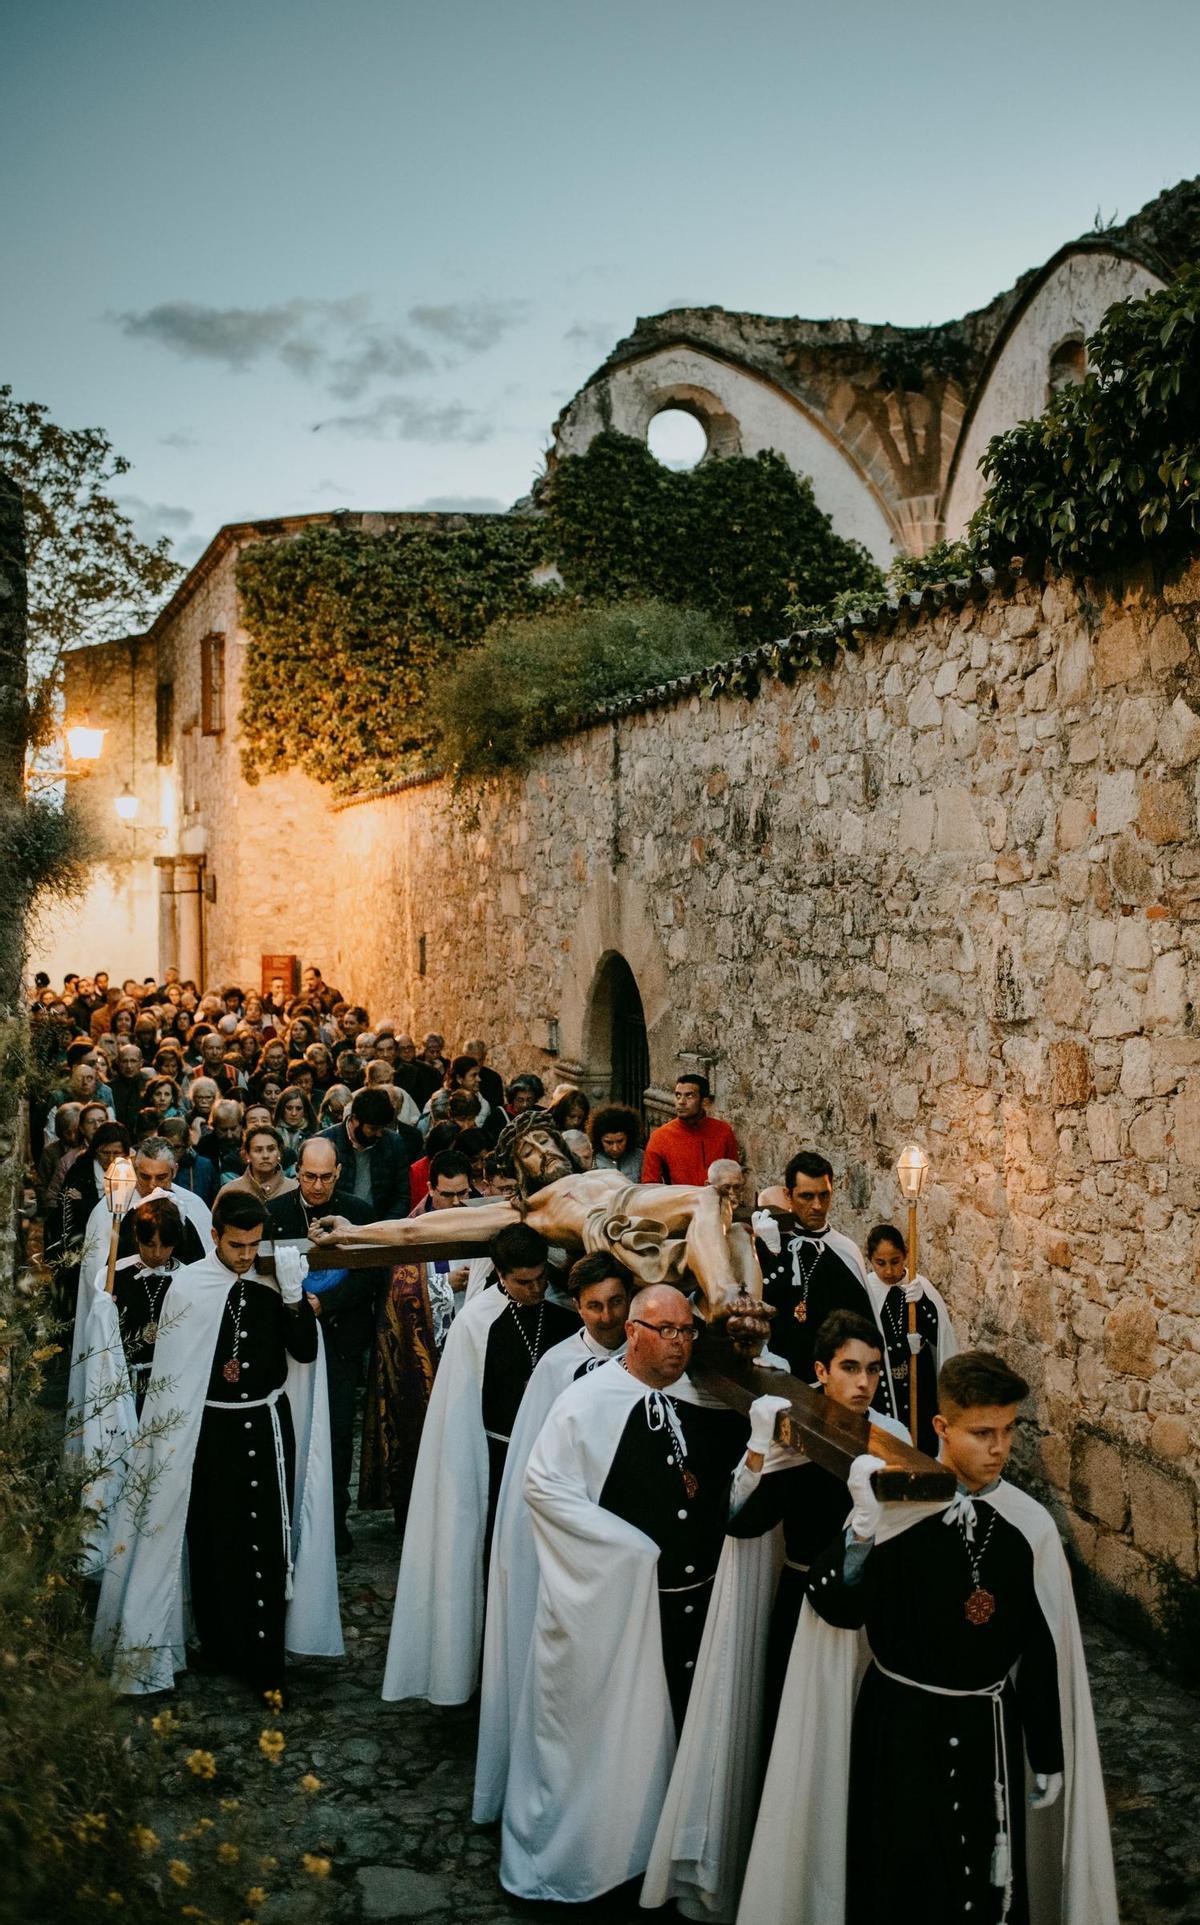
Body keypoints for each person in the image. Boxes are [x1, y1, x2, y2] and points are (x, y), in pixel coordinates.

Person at [737, 1352, 1118, 1925]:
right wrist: (861, 1535)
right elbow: (837, 1610)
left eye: (1009, 1430)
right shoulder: (894, 1511)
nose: (999, 1447)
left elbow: (1037, 1644)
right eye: (982, 1432)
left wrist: (1045, 1749)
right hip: (900, 1730)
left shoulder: (1028, 1523)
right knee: (903, 1877)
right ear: (941, 1427)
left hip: (987, 1732)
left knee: (988, 1881)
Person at [498, 1285, 760, 1903]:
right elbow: (546, 1490)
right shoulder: (586, 1403)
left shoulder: (704, 1395)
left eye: (687, 1332)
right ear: (635, 1332)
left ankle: (665, 1858)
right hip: (620, 1607)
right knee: (613, 1738)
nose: (679, 1345)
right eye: (666, 1332)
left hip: (694, 1602)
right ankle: (600, 1858)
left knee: (679, 1736)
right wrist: (630, 1554)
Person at [93, 1191, 343, 1699]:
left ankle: (265, 1658)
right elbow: (175, 1375)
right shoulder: (189, 1287)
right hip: (210, 1433)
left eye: (254, 1245)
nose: (246, 1256)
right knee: (215, 1538)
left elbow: (305, 1352)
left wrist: (296, 1301)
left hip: (265, 1426)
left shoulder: (276, 1282)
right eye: (236, 1245)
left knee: (266, 1542)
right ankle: (222, 1644)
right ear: (214, 1238)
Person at [381, 1223, 578, 1707]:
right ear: (501, 1276)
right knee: (495, 1565)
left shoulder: (564, 1314)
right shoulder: (479, 1321)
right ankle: (490, 1673)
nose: (533, 1290)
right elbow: (460, 1407)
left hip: (550, 1459)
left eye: (538, 1280)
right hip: (494, 1455)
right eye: (522, 1282)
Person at [474, 1254, 632, 1826]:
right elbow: (531, 1469)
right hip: (567, 1541)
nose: (607, 1316)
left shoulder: (648, 1365)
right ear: (578, 1306)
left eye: (616, 1302)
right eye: (594, 1305)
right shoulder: (557, 1367)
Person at [268, 1136, 378, 1556]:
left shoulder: (359, 1213)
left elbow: (370, 1276)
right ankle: (291, 1518)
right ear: (297, 1172)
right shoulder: (276, 1213)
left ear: (338, 1174)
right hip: (290, 1341)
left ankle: (334, 1523)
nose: (317, 1186)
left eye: (325, 1177)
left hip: (341, 1336)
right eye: (309, 1176)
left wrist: (325, 1302)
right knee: (293, 1427)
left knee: (336, 1431)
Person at [358, 1149, 477, 1537]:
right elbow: (399, 1292)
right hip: (420, 1354)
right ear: (430, 1189)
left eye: (463, 1194)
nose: (457, 1203)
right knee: (419, 1438)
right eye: (448, 1194)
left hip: (466, 1352)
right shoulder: (410, 1229)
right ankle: (414, 1522)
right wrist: (445, 1284)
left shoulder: (476, 1222)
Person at [752, 1151, 888, 1388]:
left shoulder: (844, 1250)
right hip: (773, 1378)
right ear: (788, 1195)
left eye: (824, 1195)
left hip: (828, 1386)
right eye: (806, 1196)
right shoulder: (771, 1242)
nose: (817, 1206)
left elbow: (861, 1327)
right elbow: (757, 1304)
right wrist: (771, 1253)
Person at [864, 1222, 959, 1456]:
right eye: (881, 1263)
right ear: (870, 1260)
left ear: (906, 1254)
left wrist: (924, 1303)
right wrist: (899, 1347)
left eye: (895, 1261)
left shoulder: (919, 1287)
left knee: (922, 1439)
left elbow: (940, 1333)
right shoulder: (867, 1289)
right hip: (884, 1380)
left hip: (919, 1379)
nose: (888, 1271)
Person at [320, 1086, 415, 1217]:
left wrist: (386, 1227)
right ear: (354, 1120)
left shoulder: (393, 1143)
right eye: (373, 1128)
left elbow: (402, 1195)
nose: (379, 1134)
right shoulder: (325, 1143)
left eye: (383, 1128)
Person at [641, 1074, 739, 1185]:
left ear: (704, 1102)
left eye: (689, 1096)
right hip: (679, 1201)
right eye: (678, 1095)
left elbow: (734, 1175)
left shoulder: (723, 1131)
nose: (681, 1102)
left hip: (715, 1200)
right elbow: (650, 1183)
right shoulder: (660, 1137)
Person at [221, 1122, 298, 1206]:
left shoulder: (295, 1190)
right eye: (258, 1150)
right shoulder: (230, 1191)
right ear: (247, 1155)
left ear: (279, 1153)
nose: (265, 1156)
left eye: (271, 1149)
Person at [589, 1102, 644, 1180]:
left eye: (620, 1141)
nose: (615, 1148)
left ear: (629, 1137)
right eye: (609, 1142)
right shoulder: (591, 1159)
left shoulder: (640, 1157)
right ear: (599, 1140)